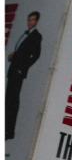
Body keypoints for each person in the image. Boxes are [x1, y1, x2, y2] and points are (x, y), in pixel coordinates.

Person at [6, 11, 42, 140]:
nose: (30, 22)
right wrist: (14, 57)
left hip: (18, 71)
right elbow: (23, 52)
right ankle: (6, 129)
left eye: (32, 20)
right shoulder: (25, 34)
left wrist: (23, 67)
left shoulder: (36, 36)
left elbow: (36, 55)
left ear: (36, 21)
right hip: (13, 69)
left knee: (13, 100)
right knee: (8, 99)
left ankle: (9, 131)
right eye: (29, 20)